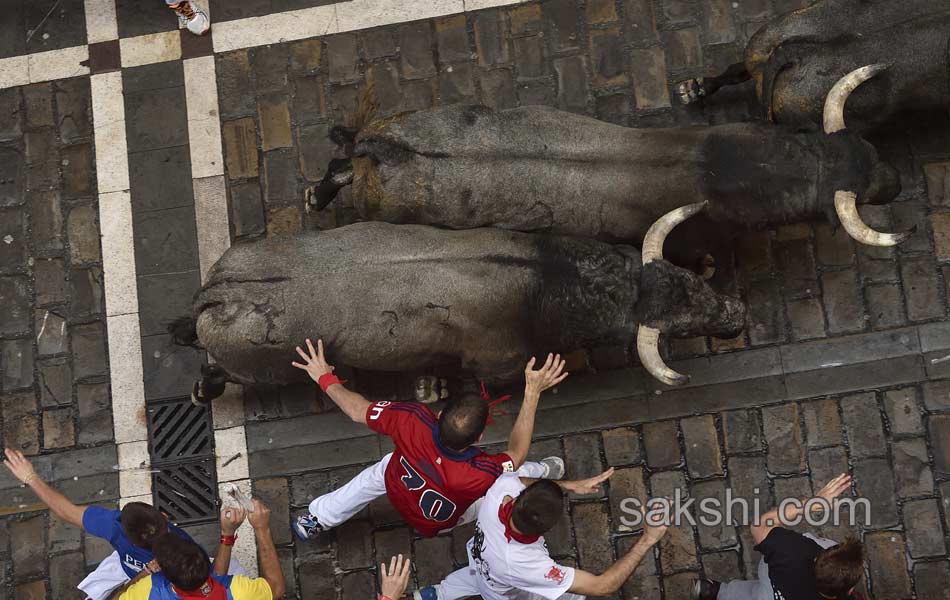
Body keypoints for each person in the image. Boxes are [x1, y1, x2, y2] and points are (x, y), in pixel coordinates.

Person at [291, 338, 569, 540]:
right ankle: (543, 472)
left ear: (437, 415)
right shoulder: (479, 472)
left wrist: (324, 377)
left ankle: (317, 520)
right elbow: (516, 455)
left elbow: (356, 411)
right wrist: (532, 392)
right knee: (511, 478)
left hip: (398, 482)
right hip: (434, 523)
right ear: (480, 437)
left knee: (380, 470)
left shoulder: (412, 419)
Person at [1, 448, 242, 600]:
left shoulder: (114, 526)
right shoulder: (184, 551)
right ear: (165, 518)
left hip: (131, 575)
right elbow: (215, 577)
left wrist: (30, 477)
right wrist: (227, 534)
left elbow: (66, 511)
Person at [415, 468, 668, 599]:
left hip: (482, 560)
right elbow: (603, 586)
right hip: (508, 590)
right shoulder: (526, 565)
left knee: (478, 576)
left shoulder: (500, 490)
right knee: (572, 595)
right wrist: (648, 538)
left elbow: (523, 482)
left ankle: (439, 594)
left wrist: (570, 485)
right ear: (546, 529)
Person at [691, 473, 864, 600]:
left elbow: (761, 525)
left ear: (817, 559)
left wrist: (810, 505)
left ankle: (716, 592)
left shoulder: (793, 552)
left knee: (749, 594)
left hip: (770, 586)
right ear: (848, 591)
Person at [117, 498, 285, 599]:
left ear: (166, 576)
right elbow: (276, 588)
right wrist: (262, 528)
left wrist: (145, 572)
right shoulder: (236, 591)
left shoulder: (149, 590)